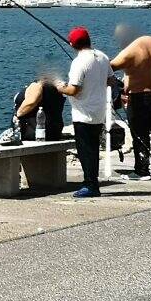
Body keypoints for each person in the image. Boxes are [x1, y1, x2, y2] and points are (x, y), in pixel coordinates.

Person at [55, 27, 115, 198]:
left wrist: (60, 88)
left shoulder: (79, 62)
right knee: (93, 149)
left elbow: (74, 90)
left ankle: (90, 185)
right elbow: (110, 80)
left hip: (83, 112)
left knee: (85, 151)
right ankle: (91, 182)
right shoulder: (102, 57)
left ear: (72, 44)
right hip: (99, 110)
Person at [110, 25, 151, 181]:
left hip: (139, 97)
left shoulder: (129, 51)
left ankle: (142, 171)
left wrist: (129, 76)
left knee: (140, 134)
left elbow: (108, 68)